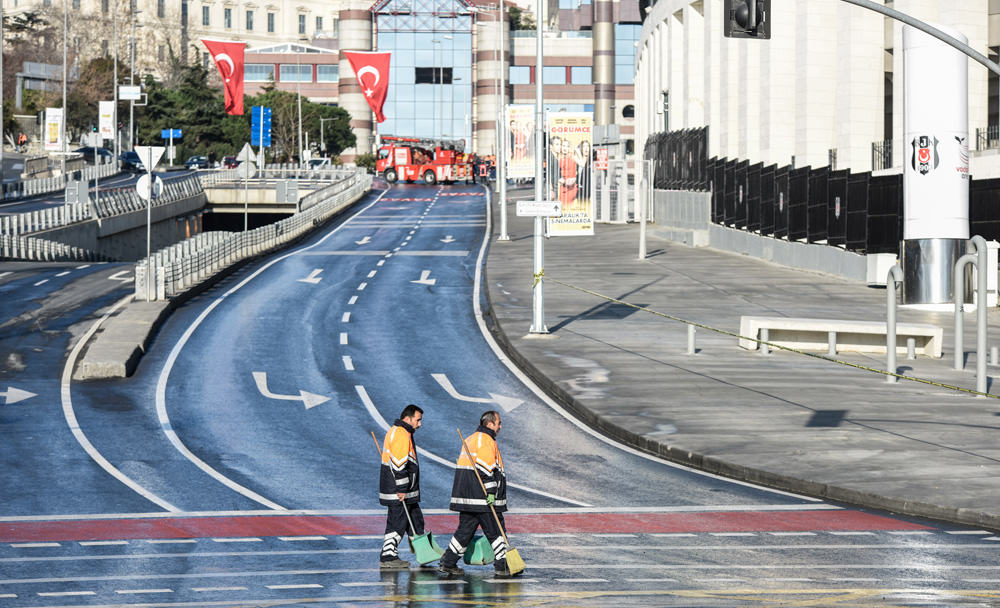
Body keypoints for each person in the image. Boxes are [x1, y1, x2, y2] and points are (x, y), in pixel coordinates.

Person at [437, 410, 512, 578]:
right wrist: (492, 492)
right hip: (482, 498)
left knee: (465, 530)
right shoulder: (486, 441)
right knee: (496, 531)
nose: (500, 426)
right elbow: (486, 470)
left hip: (467, 496)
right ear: (490, 424)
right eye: (498, 423)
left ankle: (448, 562)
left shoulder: (471, 439)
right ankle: (503, 565)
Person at [379, 404, 425, 569]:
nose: (419, 424)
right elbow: (399, 465)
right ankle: (388, 557)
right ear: (408, 418)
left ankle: (423, 552)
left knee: (415, 520)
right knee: (397, 523)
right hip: (399, 491)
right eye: (418, 420)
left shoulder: (400, 431)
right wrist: (402, 490)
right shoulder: (400, 434)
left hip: (404, 491)